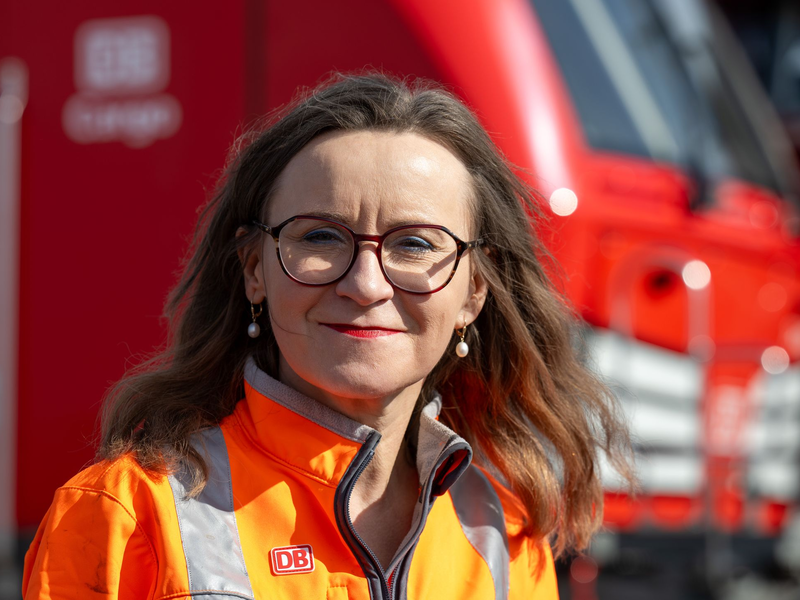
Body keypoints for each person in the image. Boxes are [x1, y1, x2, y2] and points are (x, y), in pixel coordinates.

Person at [22, 73, 630, 599]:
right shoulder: (125, 514)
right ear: (255, 269)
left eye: (415, 244)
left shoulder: (503, 531)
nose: (366, 285)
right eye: (319, 237)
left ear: (474, 291)